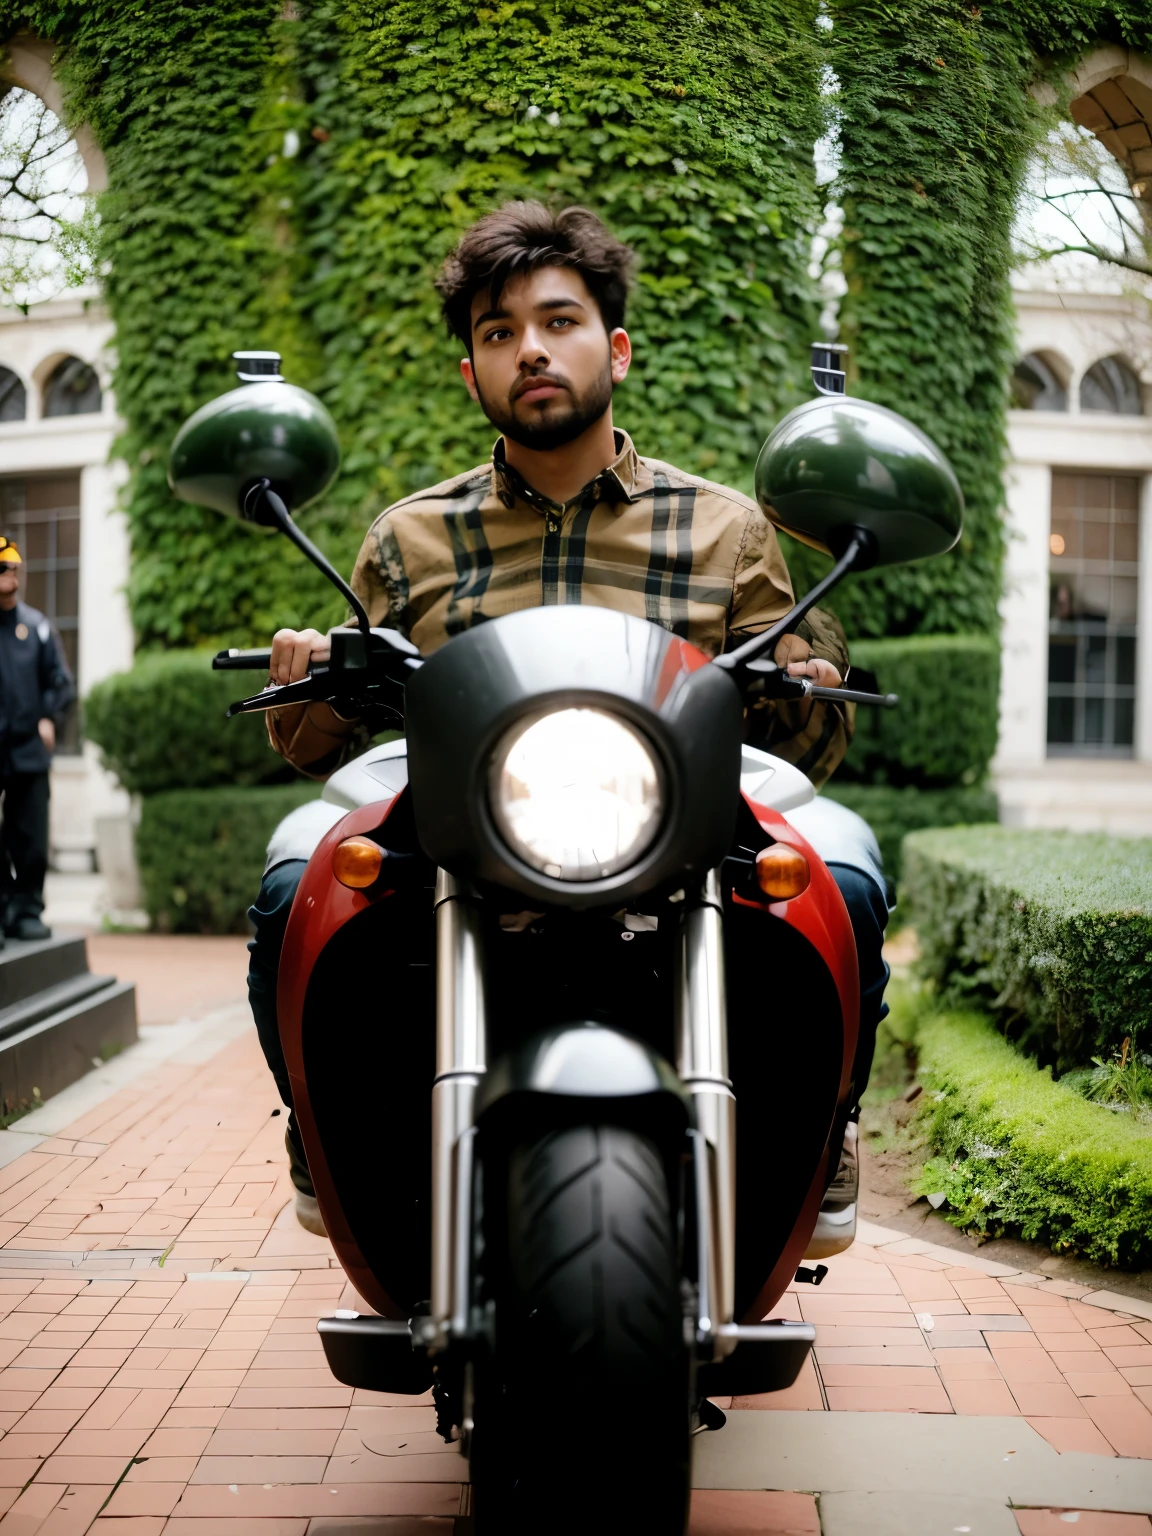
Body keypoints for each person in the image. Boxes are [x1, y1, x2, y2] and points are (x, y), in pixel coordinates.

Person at [247, 201, 887, 1237]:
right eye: (497, 334)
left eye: (558, 321)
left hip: (678, 808)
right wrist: (317, 671)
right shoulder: (410, 537)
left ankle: (825, 1125)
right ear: (472, 375)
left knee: (844, 877)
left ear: (617, 349)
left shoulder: (726, 527)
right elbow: (317, 744)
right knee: (293, 885)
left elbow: (816, 740)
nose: (529, 350)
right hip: (463, 814)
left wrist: (798, 672)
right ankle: (324, 1129)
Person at [0, 536, 75, 944]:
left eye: (13, 568)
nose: (9, 575)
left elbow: (61, 682)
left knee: (30, 834)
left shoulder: (39, 628)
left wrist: (49, 717)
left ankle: (26, 910)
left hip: (29, 751)